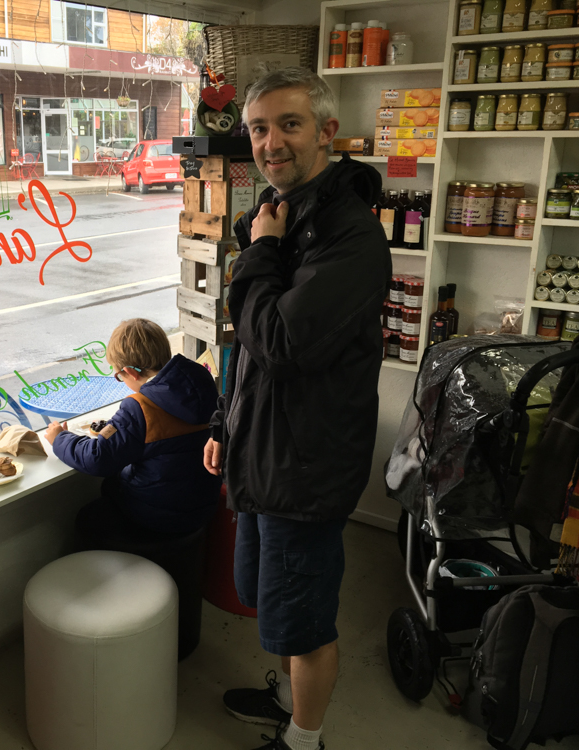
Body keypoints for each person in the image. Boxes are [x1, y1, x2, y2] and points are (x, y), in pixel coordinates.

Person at [204, 68, 391, 750]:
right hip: (264, 452)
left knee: (304, 624)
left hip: (305, 469)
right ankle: (286, 699)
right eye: (259, 128)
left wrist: (259, 251)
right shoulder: (283, 213)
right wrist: (225, 424)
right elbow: (249, 348)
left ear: (326, 132)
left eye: (289, 124)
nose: (270, 143)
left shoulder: (348, 235)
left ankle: (303, 741)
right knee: (270, 600)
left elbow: (281, 342)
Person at [46, 318, 221, 542]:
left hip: (159, 515)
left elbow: (97, 458)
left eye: (119, 376)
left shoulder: (140, 408)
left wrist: (60, 438)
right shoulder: (201, 383)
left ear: (131, 372)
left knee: (91, 513)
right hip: (202, 506)